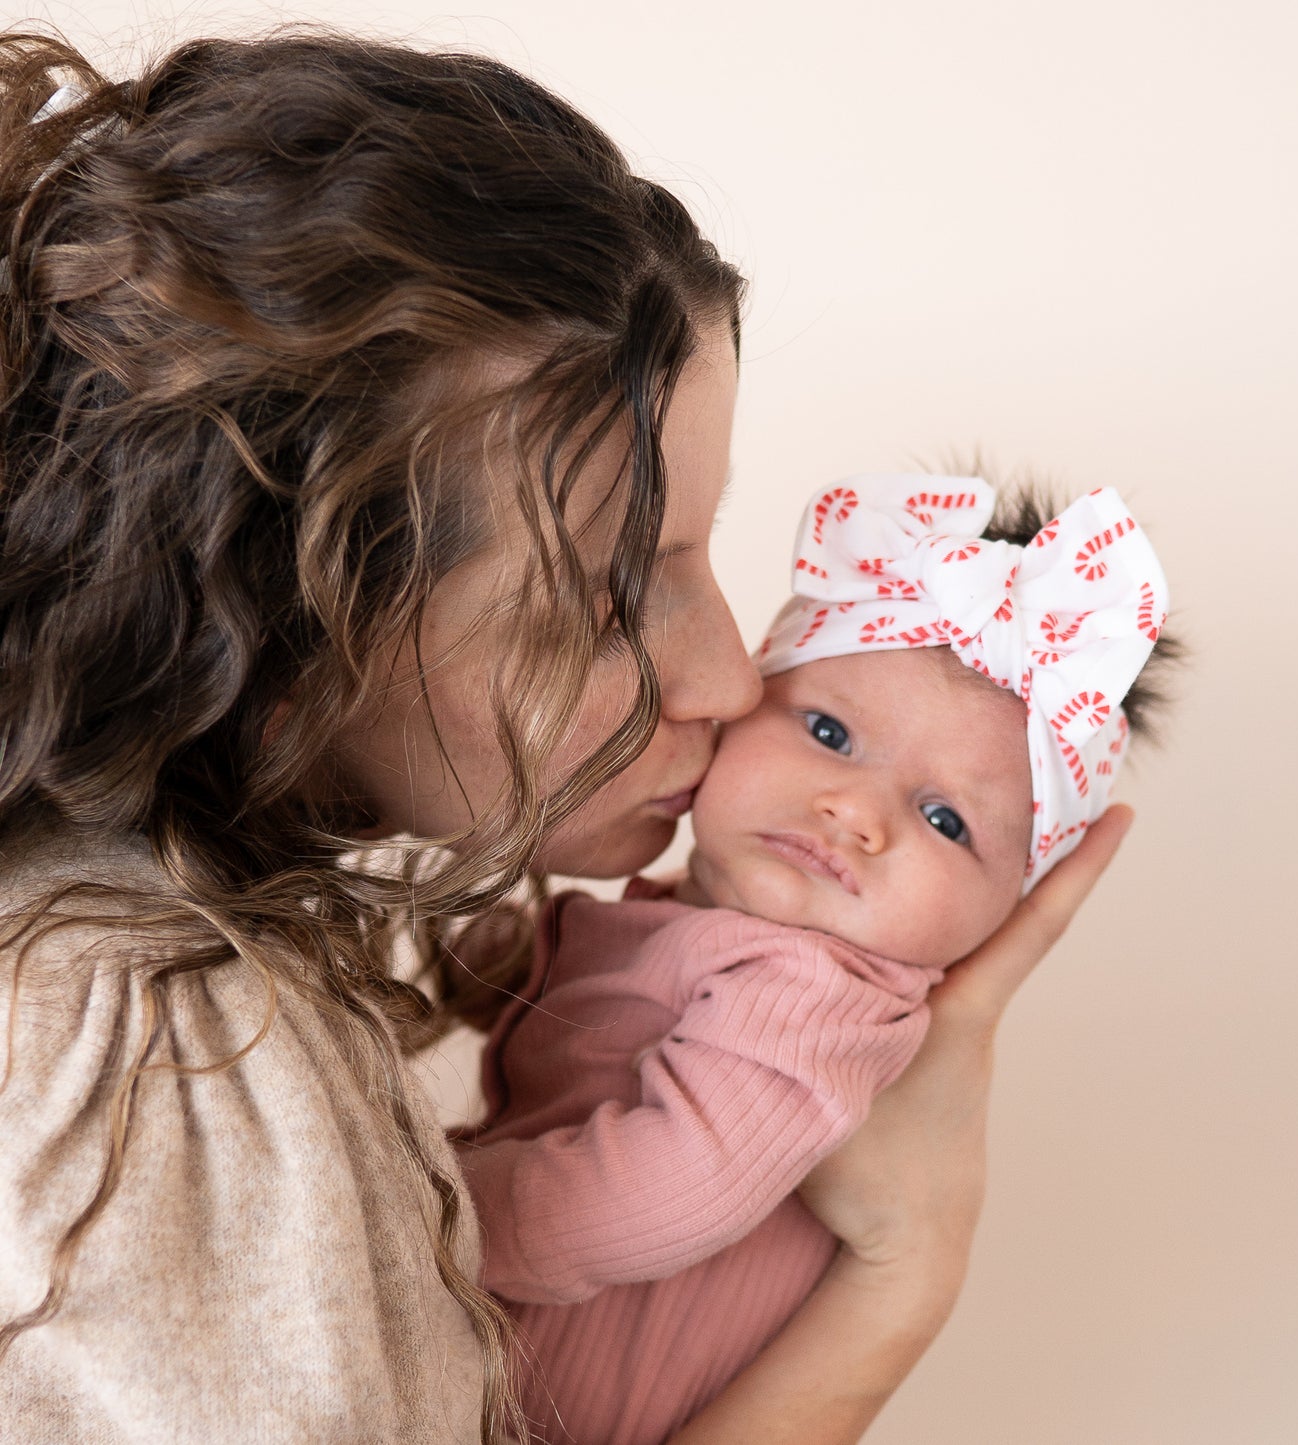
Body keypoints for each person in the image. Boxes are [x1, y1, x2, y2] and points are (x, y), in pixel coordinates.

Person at [0, 27, 1135, 1445]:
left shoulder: (187, 947)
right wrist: (902, 1276)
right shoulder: (154, 1048)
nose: (728, 677)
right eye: (611, 598)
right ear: (293, 636)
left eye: (705, 555)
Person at [453, 475, 1173, 1443]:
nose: (856, 812)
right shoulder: (718, 931)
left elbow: (676, 1182)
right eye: (829, 732)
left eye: (945, 819)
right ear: (738, 704)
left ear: (1006, 912)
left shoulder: (816, 991)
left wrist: (431, 1217)